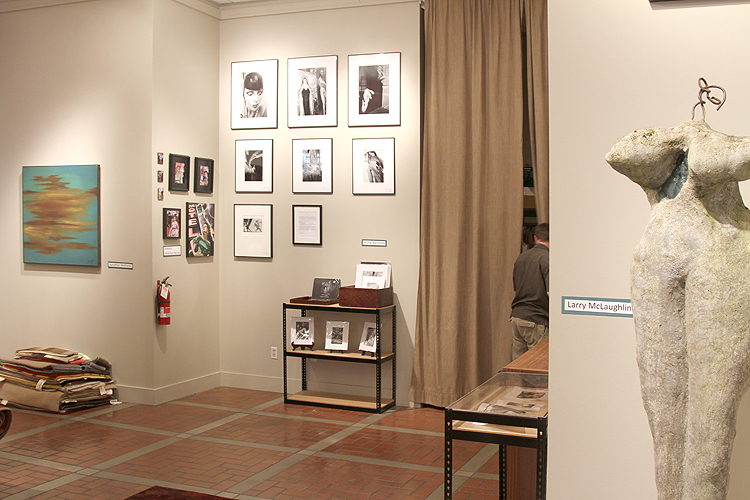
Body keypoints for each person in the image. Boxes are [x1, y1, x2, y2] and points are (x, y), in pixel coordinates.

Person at [510, 223, 549, 360]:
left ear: (535, 238)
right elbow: (550, 293)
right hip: (536, 319)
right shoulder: (548, 259)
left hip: (517, 317)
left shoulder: (521, 258)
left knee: (518, 365)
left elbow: (516, 288)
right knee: (538, 364)